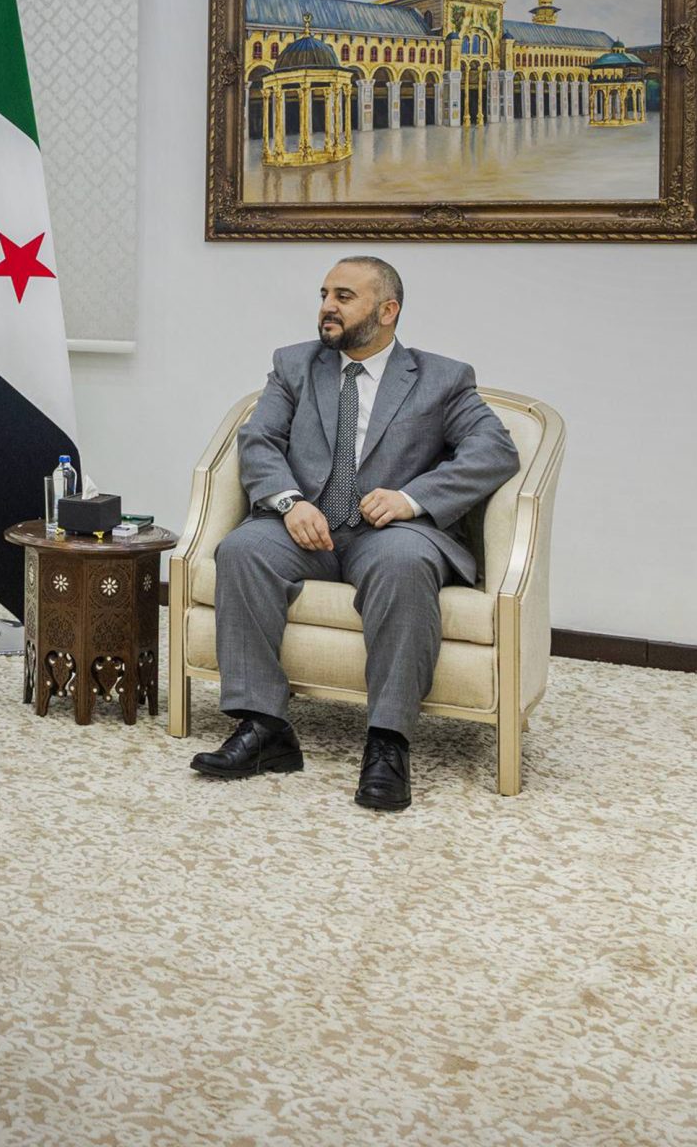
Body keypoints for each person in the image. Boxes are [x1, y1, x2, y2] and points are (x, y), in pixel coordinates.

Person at [193, 256, 520, 811]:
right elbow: (259, 440)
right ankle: (264, 726)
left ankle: (388, 742)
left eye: (344, 297)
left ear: (387, 311)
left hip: (389, 533)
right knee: (243, 549)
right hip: (306, 527)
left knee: (403, 564)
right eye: (324, 294)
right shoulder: (294, 365)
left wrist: (411, 498)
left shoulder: (441, 378)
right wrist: (289, 501)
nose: (327, 306)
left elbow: (495, 450)